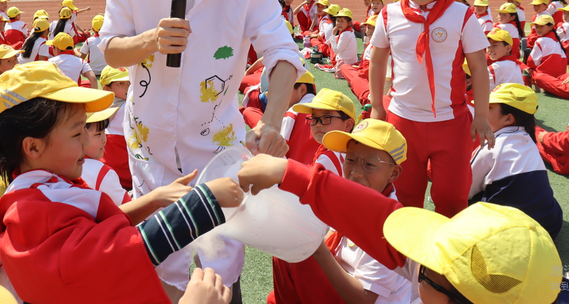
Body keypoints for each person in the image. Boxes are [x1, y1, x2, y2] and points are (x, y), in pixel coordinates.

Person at [99, 0, 302, 300]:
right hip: (148, 143)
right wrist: (148, 41)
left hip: (218, 145)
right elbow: (108, 50)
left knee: (221, 261)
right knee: (158, 258)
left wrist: (271, 123)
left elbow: (283, 54)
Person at [0, 61, 242, 303]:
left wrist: (154, 199)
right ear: (33, 147)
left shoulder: (36, 190)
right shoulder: (36, 212)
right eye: (76, 132)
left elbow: (94, 228)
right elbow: (110, 254)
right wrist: (204, 202)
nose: (86, 141)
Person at [237, 153, 562, 304]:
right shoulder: (456, 287)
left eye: (425, 265)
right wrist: (295, 175)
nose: (413, 258)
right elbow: (383, 223)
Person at [369, 0, 492, 218]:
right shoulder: (388, 15)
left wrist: (482, 115)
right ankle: (409, 258)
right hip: (403, 120)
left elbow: (479, 68)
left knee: (452, 196)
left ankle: (445, 256)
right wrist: (377, 106)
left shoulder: (461, 15)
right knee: (405, 195)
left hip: (451, 122)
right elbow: (377, 61)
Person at [268, 118, 410, 304]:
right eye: (350, 159)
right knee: (288, 251)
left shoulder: (389, 227)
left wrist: (317, 250)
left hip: (360, 297)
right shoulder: (346, 195)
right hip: (343, 280)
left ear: (393, 173)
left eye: (369, 165)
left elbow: (365, 299)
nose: (356, 172)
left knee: (298, 254)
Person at [469, 83, 562, 239]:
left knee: (463, 205)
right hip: (549, 227)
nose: (482, 111)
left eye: (489, 108)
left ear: (508, 118)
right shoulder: (528, 140)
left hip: (510, 234)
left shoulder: (491, 145)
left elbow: (466, 189)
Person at [292, 88, 356, 175]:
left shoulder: (328, 158)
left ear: (348, 125)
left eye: (327, 118)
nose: (318, 124)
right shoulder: (351, 151)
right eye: (314, 118)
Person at [99, 65, 133, 189]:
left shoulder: (98, 107)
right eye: (120, 83)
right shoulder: (130, 108)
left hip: (106, 174)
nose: (127, 87)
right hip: (128, 175)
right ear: (107, 89)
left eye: (129, 83)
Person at [526, 15, 567, 81]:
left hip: (544, 77)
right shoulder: (557, 41)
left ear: (551, 27)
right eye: (537, 26)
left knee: (522, 69)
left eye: (541, 26)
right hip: (560, 78)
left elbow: (531, 62)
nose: (538, 29)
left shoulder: (541, 40)